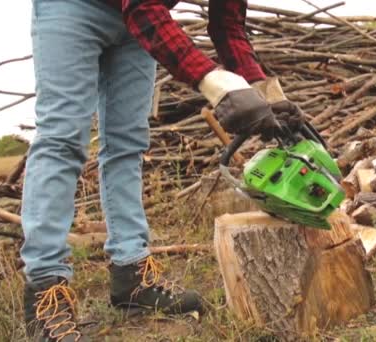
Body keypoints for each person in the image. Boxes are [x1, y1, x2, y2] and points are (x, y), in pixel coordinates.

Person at [23, 0, 303, 340]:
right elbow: (142, 6)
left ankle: (131, 274)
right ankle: (45, 291)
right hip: (73, 7)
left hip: (133, 23)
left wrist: (263, 92)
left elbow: (227, 27)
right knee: (62, 140)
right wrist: (212, 82)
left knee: (127, 144)